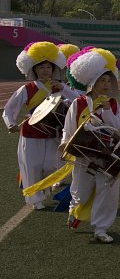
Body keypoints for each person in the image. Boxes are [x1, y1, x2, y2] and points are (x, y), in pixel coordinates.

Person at [60, 48, 120, 243]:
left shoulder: (112, 104)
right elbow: (69, 127)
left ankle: (101, 228)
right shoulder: (78, 103)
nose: (106, 84)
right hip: (83, 155)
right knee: (80, 191)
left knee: (108, 191)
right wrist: (64, 143)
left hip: (107, 155)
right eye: (102, 80)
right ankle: (74, 209)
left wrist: (106, 111)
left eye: (108, 80)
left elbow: (117, 126)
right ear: (92, 83)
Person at [4, 42, 77, 210]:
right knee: (32, 166)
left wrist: (64, 89)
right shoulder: (27, 88)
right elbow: (9, 110)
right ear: (35, 69)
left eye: (48, 67)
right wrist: (11, 124)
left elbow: (77, 102)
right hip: (31, 133)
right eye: (41, 67)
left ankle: (43, 189)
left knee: (53, 166)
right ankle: (36, 200)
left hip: (53, 133)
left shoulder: (59, 87)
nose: (45, 70)